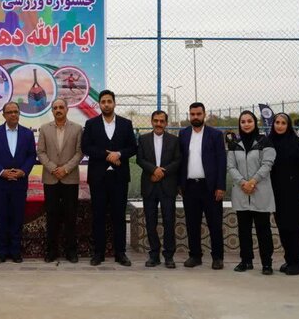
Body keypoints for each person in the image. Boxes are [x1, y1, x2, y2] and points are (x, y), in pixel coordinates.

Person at [81, 89, 137, 266]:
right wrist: (107, 155)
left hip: (119, 178)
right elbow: (86, 147)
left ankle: (120, 253)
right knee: (98, 216)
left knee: (119, 216)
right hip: (98, 178)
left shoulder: (126, 124)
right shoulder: (91, 124)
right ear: (99, 104)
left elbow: (133, 147)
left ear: (114, 103)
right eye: (103, 102)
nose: (106, 104)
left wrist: (119, 154)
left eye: (109, 101)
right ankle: (98, 253)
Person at [0, 102, 36, 263]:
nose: (13, 114)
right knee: (1, 217)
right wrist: (1, 171)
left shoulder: (28, 134)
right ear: (4, 115)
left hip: (19, 182)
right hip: (0, 183)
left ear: (19, 113)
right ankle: (1, 251)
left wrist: (23, 171)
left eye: (16, 111)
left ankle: (15, 251)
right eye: (9, 112)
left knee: (17, 217)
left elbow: (31, 155)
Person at [227, 111, 276, 275]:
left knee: (263, 230)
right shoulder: (234, 144)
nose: (246, 124)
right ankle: (246, 261)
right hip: (241, 193)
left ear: (255, 123)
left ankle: (267, 263)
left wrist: (253, 182)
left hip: (260, 192)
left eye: (249, 121)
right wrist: (243, 183)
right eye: (243, 122)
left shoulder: (265, 142)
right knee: (244, 230)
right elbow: (231, 166)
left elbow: (267, 164)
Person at [178, 102, 227, 270]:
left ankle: (217, 258)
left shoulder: (215, 134)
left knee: (215, 224)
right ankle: (195, 256)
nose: (195, 117)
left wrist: (220, 186)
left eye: (198, 114)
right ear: (189, 115)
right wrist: (180, 184)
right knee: (192, 224)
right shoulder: (183, 134)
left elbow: (221, 161)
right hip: (190, 186)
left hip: (210, 187)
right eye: (192, 114)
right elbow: (180, 160)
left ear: (204, 114)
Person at [37, 98, 83, 263]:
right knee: (52, 216)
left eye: (61, 107)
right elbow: (41, 152)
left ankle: (71, 252)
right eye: (55, 108)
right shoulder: (44, 129)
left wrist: (65, 169)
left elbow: (79, 152)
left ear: (67, 109)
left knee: (70, 216)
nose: (58, 110)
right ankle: (52, 251)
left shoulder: (77, 128)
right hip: (51, 179)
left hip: (70, 178)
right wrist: (53, 168)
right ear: (52, 110)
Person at [136, 110, 182, 268]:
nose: (158, 124)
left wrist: (162, 172)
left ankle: (169, 256)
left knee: (169, 221)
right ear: (151, 121)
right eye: (156, 120)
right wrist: (153, 170)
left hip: (167, 186)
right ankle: (154, 255)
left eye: (162, 121)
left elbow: (178, 160)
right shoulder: (143, 139)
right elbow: (140, 159)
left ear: (166, 123)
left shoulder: (174, 140)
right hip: (149, 185)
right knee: (151, 222)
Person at [268, 112, 299, 275]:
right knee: (283, 227)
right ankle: (289, 260)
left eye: (283, 123)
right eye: (277, 122)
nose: (279, 126)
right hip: (276, 192)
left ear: (288, 126)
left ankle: (298, 263)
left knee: (295, 228)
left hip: (294, 192)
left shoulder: (295, 142)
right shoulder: (269, 142)